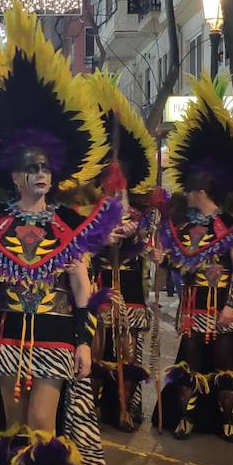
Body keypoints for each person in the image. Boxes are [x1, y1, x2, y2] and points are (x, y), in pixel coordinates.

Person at [0, 3, 117, 465]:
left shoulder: (71, 225)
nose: (41, 175)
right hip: (5, 342)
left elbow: (83, 289)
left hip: (50, 337)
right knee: (16, 427)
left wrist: (84, 341)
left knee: (44, 423)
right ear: (16, 175)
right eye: (31, 168)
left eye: (47, 167)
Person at [157, 75, 233, 443]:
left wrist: (229, 308)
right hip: (193, 306)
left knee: (226, 365)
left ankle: (228, 420)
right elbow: (180, 265)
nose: (185, 195)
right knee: (190, 364)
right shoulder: (184, 225)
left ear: (201, 191)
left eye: (189, 190)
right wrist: (162, 259)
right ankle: (187, 418)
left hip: (225, 306)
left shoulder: (232, 224)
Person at [77, 72, 161, 433]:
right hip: (96, 280)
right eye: (109, 183)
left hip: (128, 282)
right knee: (96, 345)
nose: (115, 188)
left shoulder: (141, 214)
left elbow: (150, 238)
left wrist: (152, 248)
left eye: (120, 183)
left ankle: (125, 406)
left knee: (126, 347)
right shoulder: (84, 211)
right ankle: (92, 406)